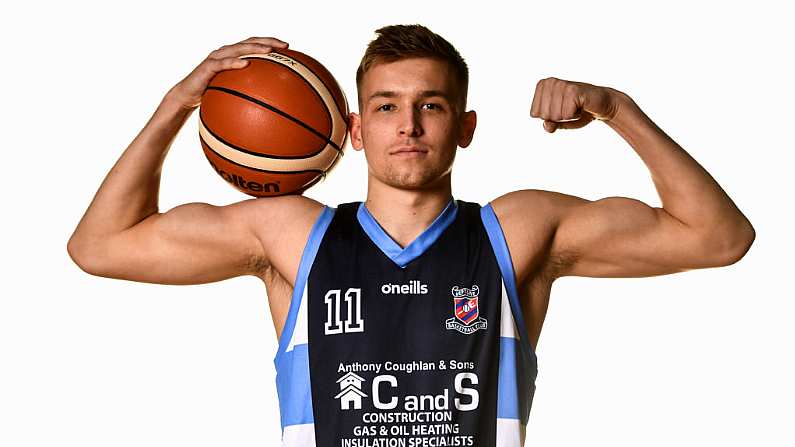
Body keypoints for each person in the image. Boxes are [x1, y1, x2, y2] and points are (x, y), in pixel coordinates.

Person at [67, 24, 755, 446]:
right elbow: (98, 245)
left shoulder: (515, 230)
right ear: (356, 130)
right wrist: (178, 103)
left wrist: (618, 110)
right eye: (386, 107)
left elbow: (717, 237)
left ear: (464, 127)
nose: (409, 125)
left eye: (431, 105)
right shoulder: (289, 232)